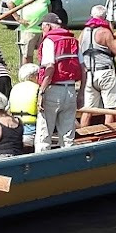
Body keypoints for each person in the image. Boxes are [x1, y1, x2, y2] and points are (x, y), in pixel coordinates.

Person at [35, 12, 82, 152]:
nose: (42, 31)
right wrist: (81, 93)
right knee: (68, 137)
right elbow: (83, 69)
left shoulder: (50, 41)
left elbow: (50, 67)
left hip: (53, 90)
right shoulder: (73, 41)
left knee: (44, 134)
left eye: (42, 27)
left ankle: (41, 167)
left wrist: (41, 92)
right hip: (71, 89)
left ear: (48, 26)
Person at [77, 4, 116, 128]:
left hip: (89, 74)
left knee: (88, 110)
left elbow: (78, 49)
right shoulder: (104, 32)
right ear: (104, 17)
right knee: (110, 109)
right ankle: (107, 137)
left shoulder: (84, 33)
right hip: (105, 74)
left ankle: (83, 135)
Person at [10, 0, 50, 64]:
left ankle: (42, 73)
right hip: (29, 28)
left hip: (43, 29)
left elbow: (48, 5)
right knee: (27, 55)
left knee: (45, 54)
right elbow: (10, 3)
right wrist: (18, 19)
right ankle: (27, 75)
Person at [8, 63, 40, 151]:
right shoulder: (38, 89)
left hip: (16, 132)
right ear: (34, 76)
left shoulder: (14, 88)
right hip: (32, 133)